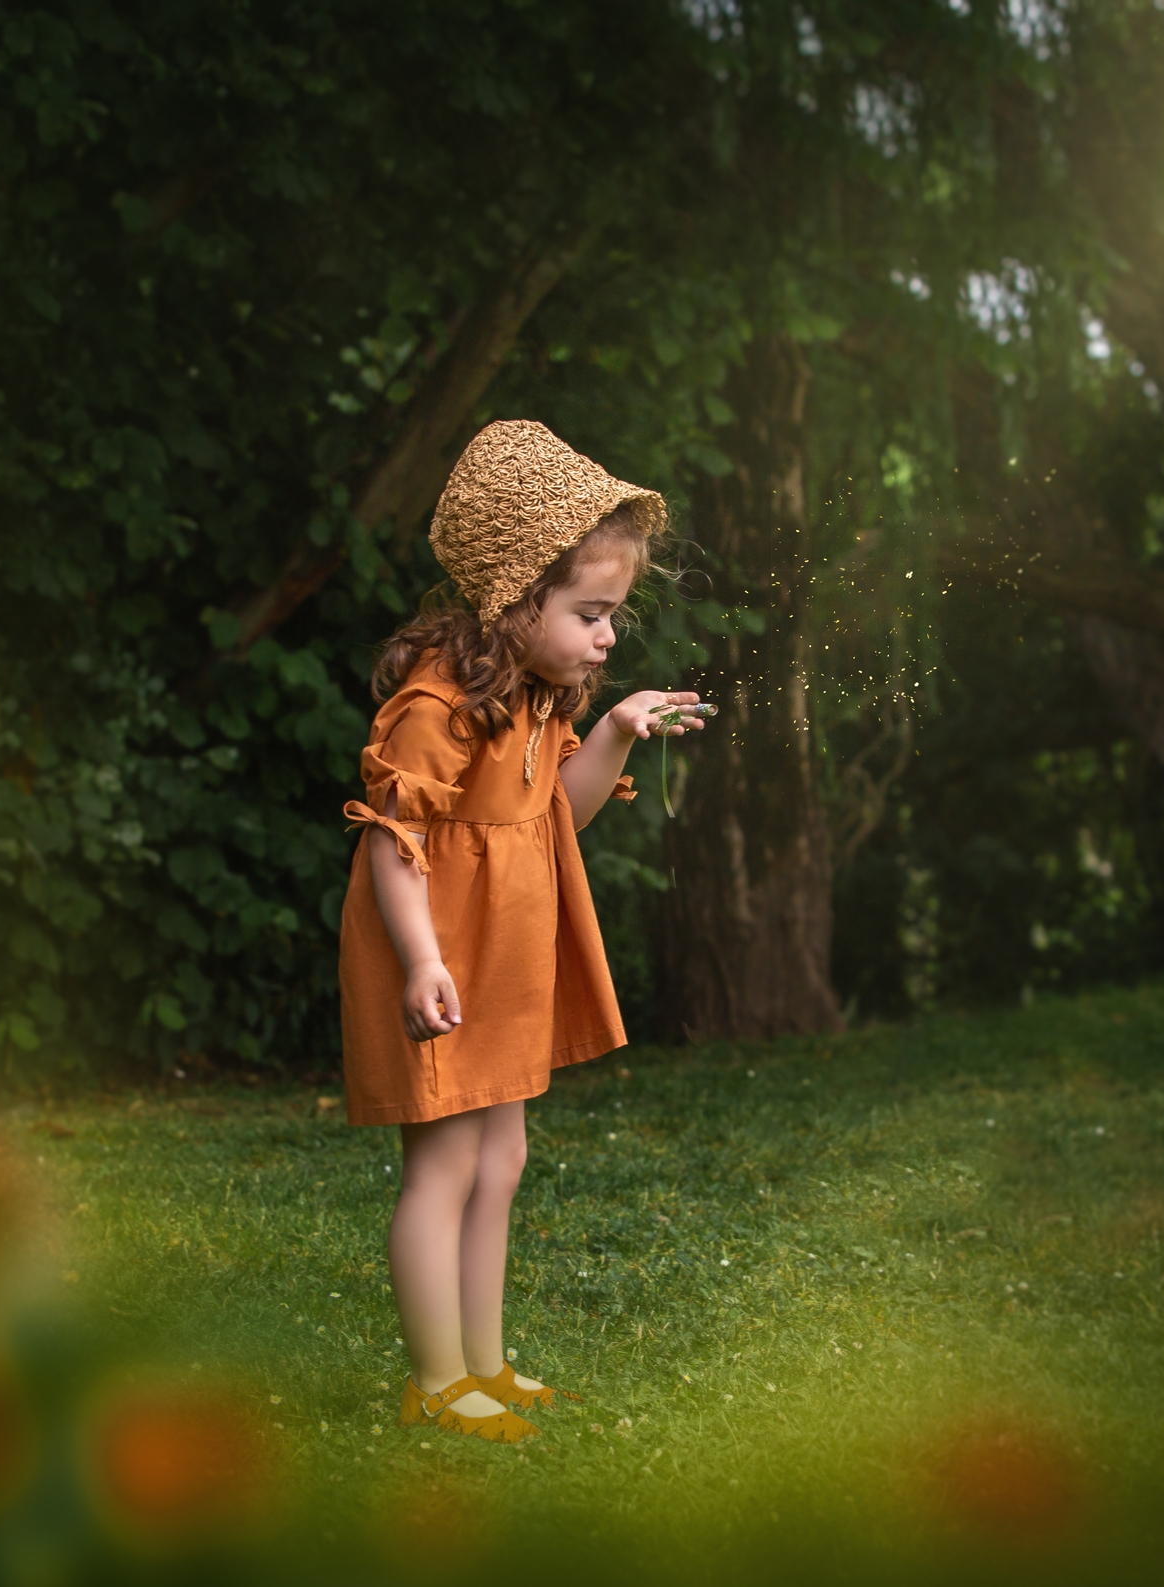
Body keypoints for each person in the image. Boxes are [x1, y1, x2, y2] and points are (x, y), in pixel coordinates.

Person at [339, 420, 711, 1443]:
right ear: (515, 595)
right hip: (444, 950)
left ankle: (484, 1365)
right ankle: (435, 1377)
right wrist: (419, 958)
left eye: (612, 617)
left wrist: (616, 728)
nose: (606, 636)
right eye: (591, 613)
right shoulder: (436, 702)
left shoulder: (542, 699)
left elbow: (556, 817)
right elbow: (393, 838)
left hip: (503, 948)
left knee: (500, 1156)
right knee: (444, 1164)